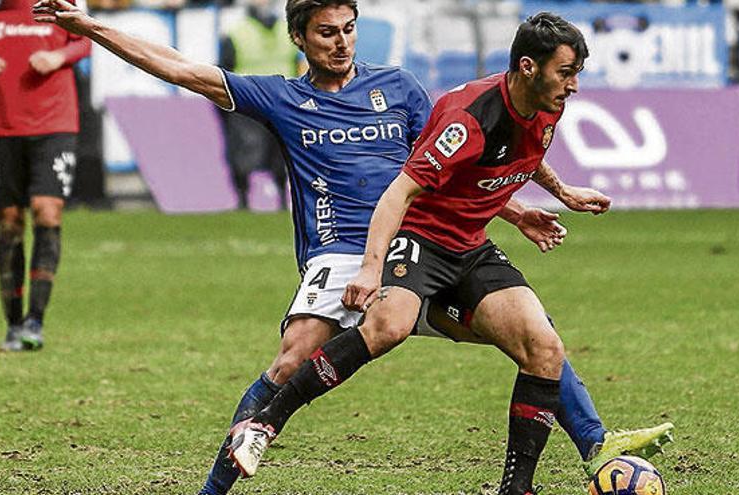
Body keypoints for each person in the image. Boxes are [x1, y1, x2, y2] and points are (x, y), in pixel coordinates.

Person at [34, 2, 672, 492]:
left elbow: (446, 165)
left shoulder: (397, 88)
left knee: (531, 336)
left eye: (347, 29)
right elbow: (179, 68)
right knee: (292, 360)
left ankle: (597, 447)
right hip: (344, 252)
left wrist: (517, 210)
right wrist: (92, 27)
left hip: (426, 241)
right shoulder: (283, 96)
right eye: (325, 32)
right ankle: (219, 483)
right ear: (300, 39)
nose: (340, 42)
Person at [221, 11, 673, 494]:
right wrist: (372, 271)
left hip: (470, 247)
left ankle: (516, 488)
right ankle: (266, 421)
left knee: (543, 347)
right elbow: (398, 194)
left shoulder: (547, 101)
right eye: (566, 73)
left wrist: (558, 192)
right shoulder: (467, 118)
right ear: (527, 67)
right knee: (387, 326)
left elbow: (525, 149)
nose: (575, 85)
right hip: (420, 242)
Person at [0, 0, 91, 351]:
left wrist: (58, 58)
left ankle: (35, 321)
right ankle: (12, 322)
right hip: (1, 125)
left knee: (47, 210)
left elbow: (86, 39)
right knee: (9, 220)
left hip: (54, 122)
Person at [217, 0, 301, 209]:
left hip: (257, 100)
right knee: (266, 153)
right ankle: (255, 200)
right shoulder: (288, 32)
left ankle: (251, 200)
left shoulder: (236, 33)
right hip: (265, 101)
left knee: (257, 153)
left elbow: (222, 71)